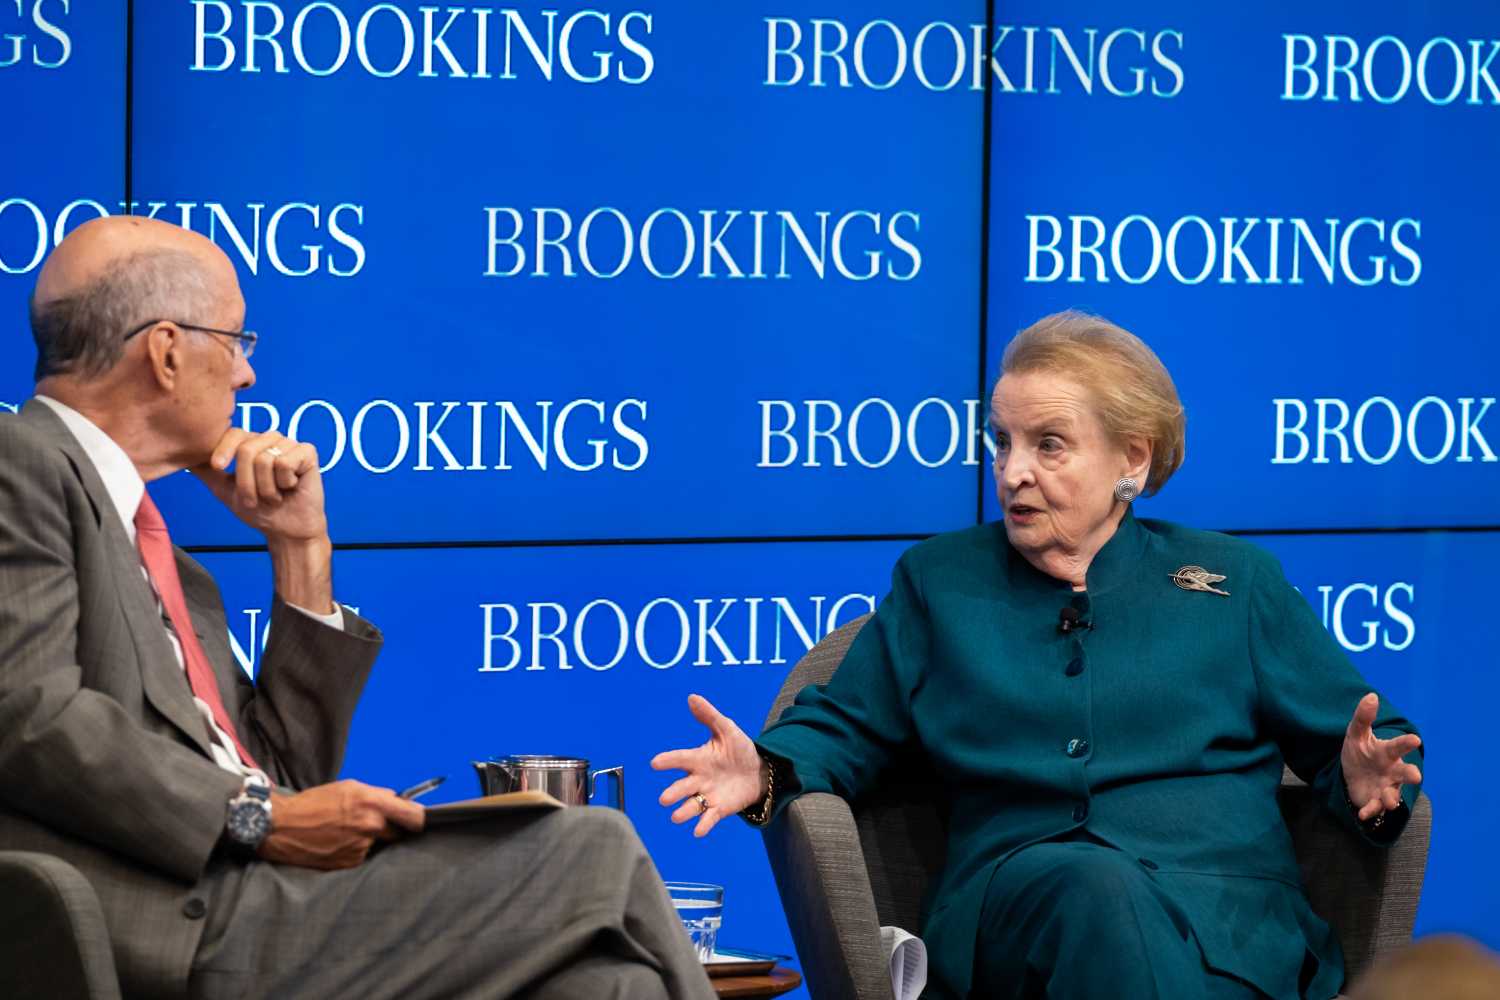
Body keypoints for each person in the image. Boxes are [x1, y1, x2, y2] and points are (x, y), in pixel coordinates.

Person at [0, 216, 715, 1000]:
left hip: (266, 897)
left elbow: (290, 776)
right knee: (594, 847)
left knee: (608, 988)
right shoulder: (21, 462)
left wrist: (301, 550)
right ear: (166, 352)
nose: (246, 376)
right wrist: (257, 818)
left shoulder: (178, 573)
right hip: (173, 924)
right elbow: (28, 715)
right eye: (235, 341)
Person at [653, 310, 1424, 999]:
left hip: (1227, 929)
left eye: (1048, 444)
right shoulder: (940, 583)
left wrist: (1367, 784)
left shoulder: (1235, 583)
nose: (1012, 470)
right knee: (1092, 889)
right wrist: (763, 772)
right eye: (1002, 441)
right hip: (1022, 911)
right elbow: (839, 727)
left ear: (1133, 458)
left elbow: (1359, 742)